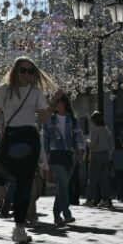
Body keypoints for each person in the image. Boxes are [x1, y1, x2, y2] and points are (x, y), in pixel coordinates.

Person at [0, 56, 59, 244]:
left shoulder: (36, 92)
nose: (26, 74)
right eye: (23, 70)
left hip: (30, 137)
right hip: (11, 137)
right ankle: (17, 222)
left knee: (25, 183)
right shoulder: (4, 90)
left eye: (30, 71)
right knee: (17, 179)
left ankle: (19, 227)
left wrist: (50, 105)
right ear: (15, 71)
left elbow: (41, 120)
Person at [42, 94, 85, 227]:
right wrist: (45, 160)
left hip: (69, 156)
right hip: (55, 156)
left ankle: (56, 215)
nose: (56, 104)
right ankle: (66, 213)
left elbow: (78, 137)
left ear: (64, 103)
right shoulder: (50, 120)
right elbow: (45, 140)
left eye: (58, 102)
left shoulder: (73, 120)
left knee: (63, 186)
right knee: (63, 183)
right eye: (54, 102)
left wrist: (80, 152)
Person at [86, 112, 114, 208]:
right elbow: (111, 144)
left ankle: (90, 199)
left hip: (96, 154)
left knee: (93, 178)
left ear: (94, 120)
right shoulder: (107, 130)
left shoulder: (95, 130)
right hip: (105, 155)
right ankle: (105, 200)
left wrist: (87, 141)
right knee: (104, 179)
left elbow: (92, 144)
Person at [112, 138, 123, 203]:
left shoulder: (114, 150)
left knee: (119, 183)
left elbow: (112, 159)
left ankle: (119, 196)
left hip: (117, 169)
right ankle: (122, 197)